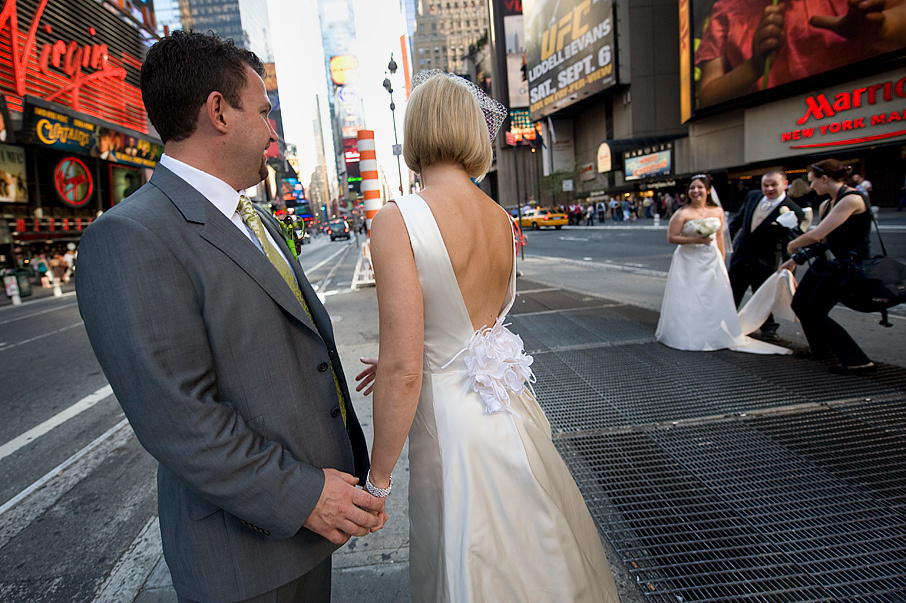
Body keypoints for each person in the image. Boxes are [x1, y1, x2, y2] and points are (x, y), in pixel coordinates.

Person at [76, 31, 382, 602]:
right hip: (240, 562)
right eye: (263, 112)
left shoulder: (255, 218)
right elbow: (180, 419)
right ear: (218, 111)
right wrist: (304, 497)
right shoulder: (129, 237)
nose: (273, 132)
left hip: (306, 538)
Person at [354, 71, 620, 602]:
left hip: (453, 430)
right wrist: (421, 355)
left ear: (417, 129)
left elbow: (405, 368)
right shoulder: (500, 219)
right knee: (534, 550)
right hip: (507, 411)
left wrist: (377, 480)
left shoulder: (397, 219)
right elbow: (470, 327)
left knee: (465, 555)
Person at [657, 175, 791, 354]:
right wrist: (697, 239)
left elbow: (719, 236)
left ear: (708, 190)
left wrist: (720, 257)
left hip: (710, 257)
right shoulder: (682, 213)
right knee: (689, 294)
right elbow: (672, 237)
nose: (696, 191)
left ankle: (714, 330)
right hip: (688, 260)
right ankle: (686, 331)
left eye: (700, 187)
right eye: (692, 188)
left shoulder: (717, 211)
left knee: (713, 295)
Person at [695, 0, 906, 107]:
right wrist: (754, 67)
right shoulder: (726, 8)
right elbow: (706, 97)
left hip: (862, 113)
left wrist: (881, 30)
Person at [780, 159, 876, 374]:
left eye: (812, 181)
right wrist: (795, 260)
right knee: (800, 304)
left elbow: (817, 235)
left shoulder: (851, 199)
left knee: (815, 312)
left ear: (825, 179)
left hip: (847, 266)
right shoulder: (827, 204)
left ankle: (858, 361)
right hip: (829, 263)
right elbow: (824, 242)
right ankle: (821, 349)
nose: (811, 186)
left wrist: (793, 245)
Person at [728, 171, 804, 341]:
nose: (769, 189)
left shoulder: (793, 210)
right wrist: (727, 239)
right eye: (766, 185)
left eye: (774, 185)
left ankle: (768, 327)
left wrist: (789, 267)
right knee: (733, 290)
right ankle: (725, 320)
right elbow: (738, 220)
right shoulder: (753, 196)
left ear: (785, 184)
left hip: (765, 260)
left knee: (763, 294)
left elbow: (790, 243)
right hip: (741, 254)